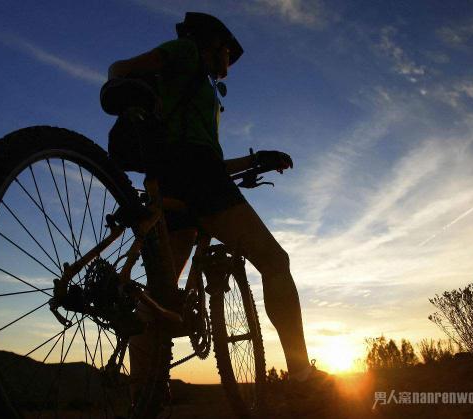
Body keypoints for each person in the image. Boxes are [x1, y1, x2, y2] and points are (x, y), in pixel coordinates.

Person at [107, 11, 316, 392]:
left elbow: (206, 153)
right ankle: (303, 375)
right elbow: (120, 67)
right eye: (227, 57)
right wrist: (122, 82)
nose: (228, 68)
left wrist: (255, 159)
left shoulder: (190, 87)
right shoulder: (186, 52)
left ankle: (144, 393)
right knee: (274, 261)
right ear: (213, 45)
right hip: (200, 178)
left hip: (173, 177)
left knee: (160, 295)